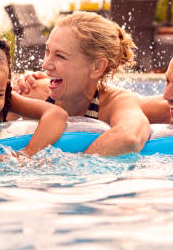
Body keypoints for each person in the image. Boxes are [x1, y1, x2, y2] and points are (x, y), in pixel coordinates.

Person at [14, 11, 150, 156]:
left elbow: (130, 137)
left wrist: (71, 166)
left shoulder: (116, 102)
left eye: (60, 56)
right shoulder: (33, 92)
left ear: (97, 67)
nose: (45, 65)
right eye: (47, 51)